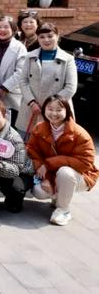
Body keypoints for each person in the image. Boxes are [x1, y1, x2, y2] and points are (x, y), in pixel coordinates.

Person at [27, 95, 98, 226]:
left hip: (81, 175)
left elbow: (85, 163)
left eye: (59, 109)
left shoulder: (80, 134)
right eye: (50, 109)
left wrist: (48, 164)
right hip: (51, 174)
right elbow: (31, 152)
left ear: (67, 111)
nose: (54, 113)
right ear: (44, 110)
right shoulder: (39, 128)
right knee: (39, 192)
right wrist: (46, 178)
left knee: (65, 172)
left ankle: (63, 209)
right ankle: (59, 198)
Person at [16, 22, 77, 138]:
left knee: (56, 145)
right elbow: (23, 81)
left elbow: (70, 87)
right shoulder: (30, 56)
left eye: (50, 36)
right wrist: (32, 102)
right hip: (31, 108)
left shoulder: (68, 59)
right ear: (38, 38)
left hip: (57, 110)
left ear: (57, 36)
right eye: (42, 37)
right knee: (26, 145)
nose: (46, 40)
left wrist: (50, 106)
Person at [0, 16, 27, 125]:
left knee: (11, 127)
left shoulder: (20, 48)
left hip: (12, 94)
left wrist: (5, 88)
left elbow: (21, 72)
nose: (2, 30)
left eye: (6, 27)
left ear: (14, 30)